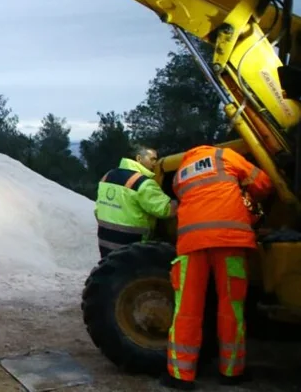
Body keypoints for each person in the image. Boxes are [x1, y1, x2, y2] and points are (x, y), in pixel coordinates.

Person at [161, 144, 274, 390]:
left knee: (186, 309)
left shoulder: (181, 172)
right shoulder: (225, 155)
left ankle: (180, 375)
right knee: (231, 307)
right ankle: (232, 371)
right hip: (230, 240)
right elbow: (263, 183)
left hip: (191, 243)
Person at [94, 145, 177, 258]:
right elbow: (166, 210)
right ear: (139, 159)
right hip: (131, 245)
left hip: (105, 242)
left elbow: (97, 210)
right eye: (152, 159)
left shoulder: (107, 176)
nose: (155, 163)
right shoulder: (143, 183)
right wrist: (180, 201)